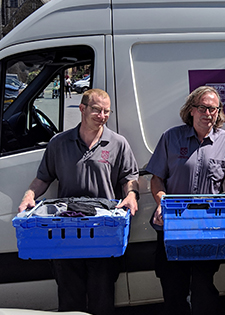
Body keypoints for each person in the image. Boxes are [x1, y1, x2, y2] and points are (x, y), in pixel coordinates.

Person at [17, 88, 140, 315]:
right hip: (67, 233)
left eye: (106, 112)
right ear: (82, 109)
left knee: (102, 299)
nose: (102, 116)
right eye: (96, 110)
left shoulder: (118, 143)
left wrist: (131, 195)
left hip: (102, 233)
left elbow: (130, 178)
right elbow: (44, 177)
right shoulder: (59, 143)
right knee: (69, 300)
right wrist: (29, 195)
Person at [146, 85, 225, 315]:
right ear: (191, 110)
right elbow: (156, 179)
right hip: (173, 227)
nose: (208, 113)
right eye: (203, 108)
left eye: (214, 109)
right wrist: (162, 203)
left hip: (208, 229)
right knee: (173, 290)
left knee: (204, 290)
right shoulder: (171, 137)